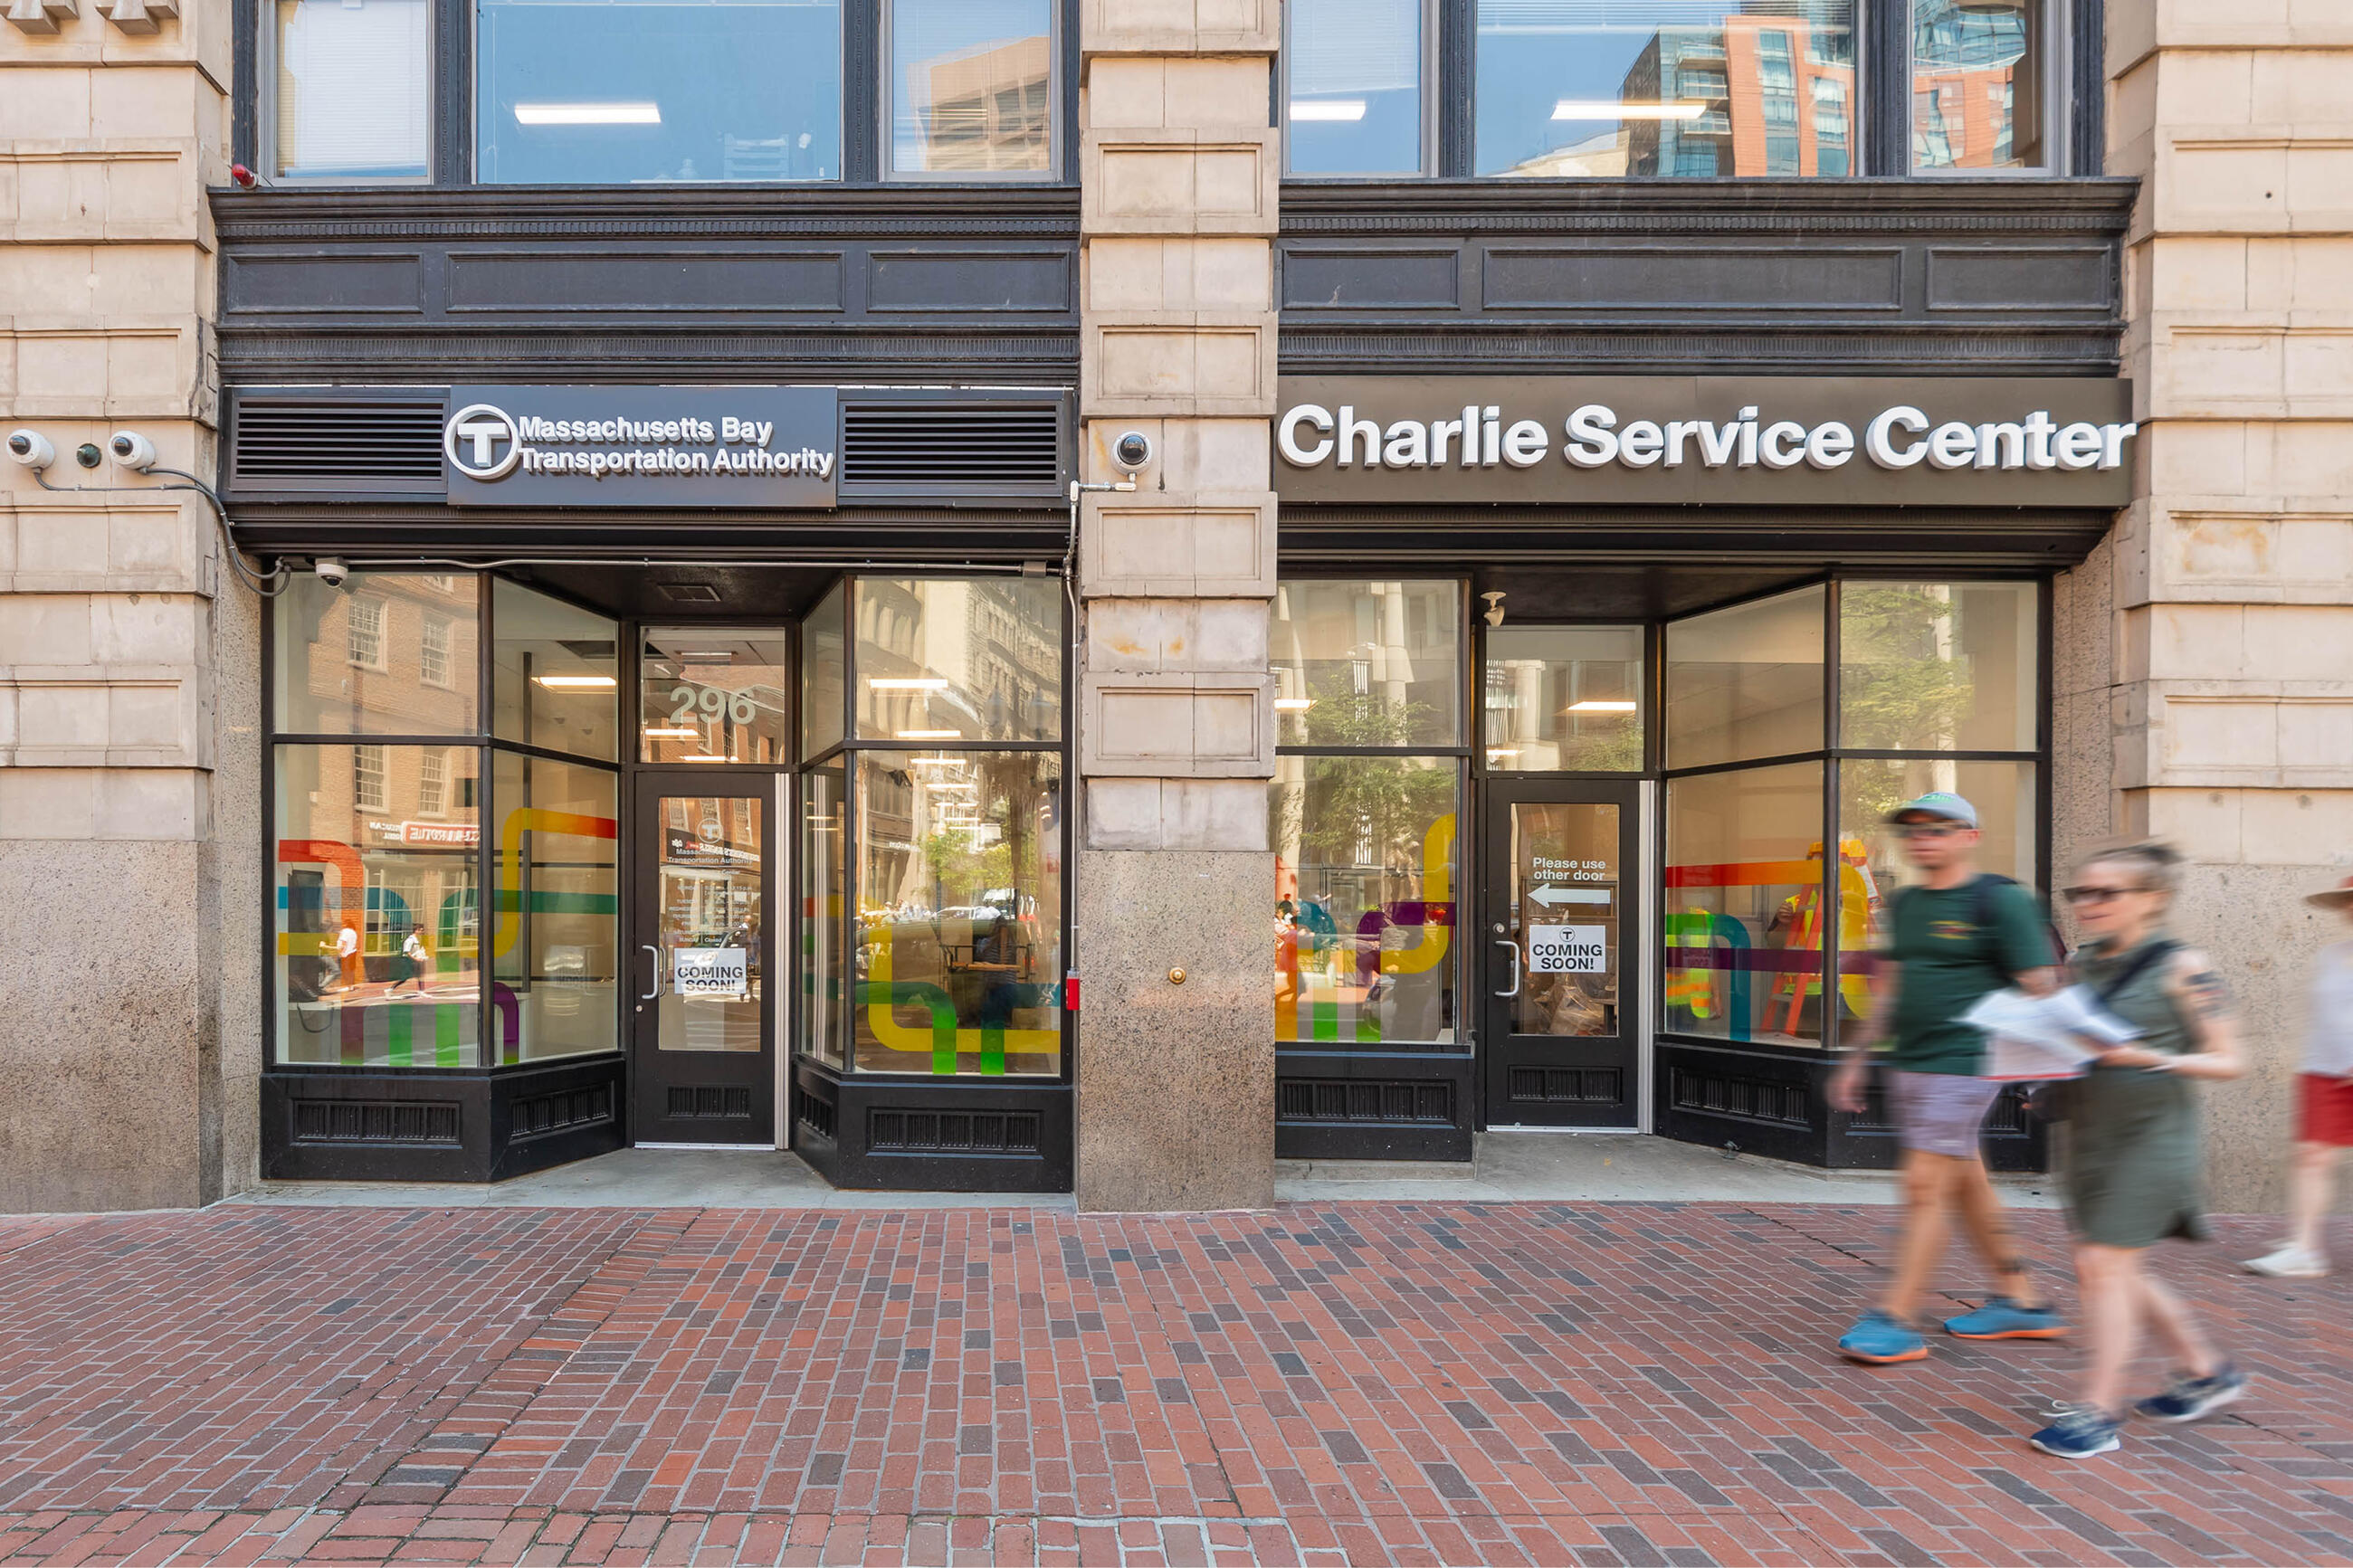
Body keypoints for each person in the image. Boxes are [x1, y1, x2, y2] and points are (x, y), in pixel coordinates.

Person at [1829, 791, 2064, 1364]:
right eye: (1912, 830)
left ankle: (1898, 1315)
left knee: (1923, 1184)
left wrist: (2048, 1071)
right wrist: (1860, 1058)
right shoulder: (1908, 903)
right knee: (1964, 1179)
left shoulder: (2001, 902)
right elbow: (1896, 984)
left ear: (1969, 836)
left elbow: (2042, 987)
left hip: (1967, 1062)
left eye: (1938, 828)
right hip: (1913, 1060)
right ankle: (2020, 1299)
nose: (1923, 838)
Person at [2028, 841, 2246, 1459]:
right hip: (2090, 1133)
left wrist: (2151, 1057)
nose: (2088, 904)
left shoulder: (2185, 967)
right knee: (2111, 1266)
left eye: (2106, 892)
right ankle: (2206, 1369)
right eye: (2081, 892)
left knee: (2105, 1267)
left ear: (2152, 899)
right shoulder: (2087, 962)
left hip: (2154, 1138)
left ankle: (2098, 1411)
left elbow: (2232, 1060)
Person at [2241, 872, 2353, 1279]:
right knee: (2311, 1158)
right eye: (2350, 900)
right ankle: (2305, 1248)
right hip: (2325, 1070)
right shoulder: (2332, 955)